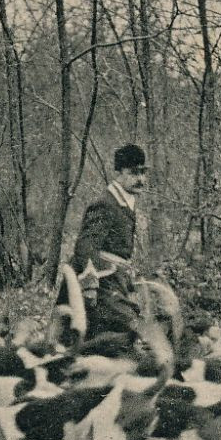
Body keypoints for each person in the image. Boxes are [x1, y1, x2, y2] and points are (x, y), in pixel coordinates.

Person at [68, 143, 149, 336]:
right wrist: (90, 285)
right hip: (100, 285)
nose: (140, 179)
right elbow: (85, 246)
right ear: (119, 173)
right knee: (128, 327)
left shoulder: (125, 201)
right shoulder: (105, 204)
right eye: (134, 173)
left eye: (143, 172)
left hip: (116, 280)